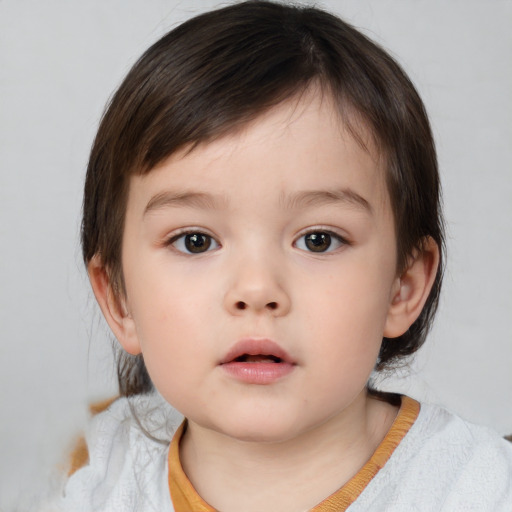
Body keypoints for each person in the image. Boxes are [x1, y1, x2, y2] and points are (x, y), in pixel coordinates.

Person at [49, 1, 512, 510]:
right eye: (195, 240)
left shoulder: (479, 490)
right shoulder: (100, 477)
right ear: (120, 299)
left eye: (318, 240)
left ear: (402, 286)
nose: (256, 289)